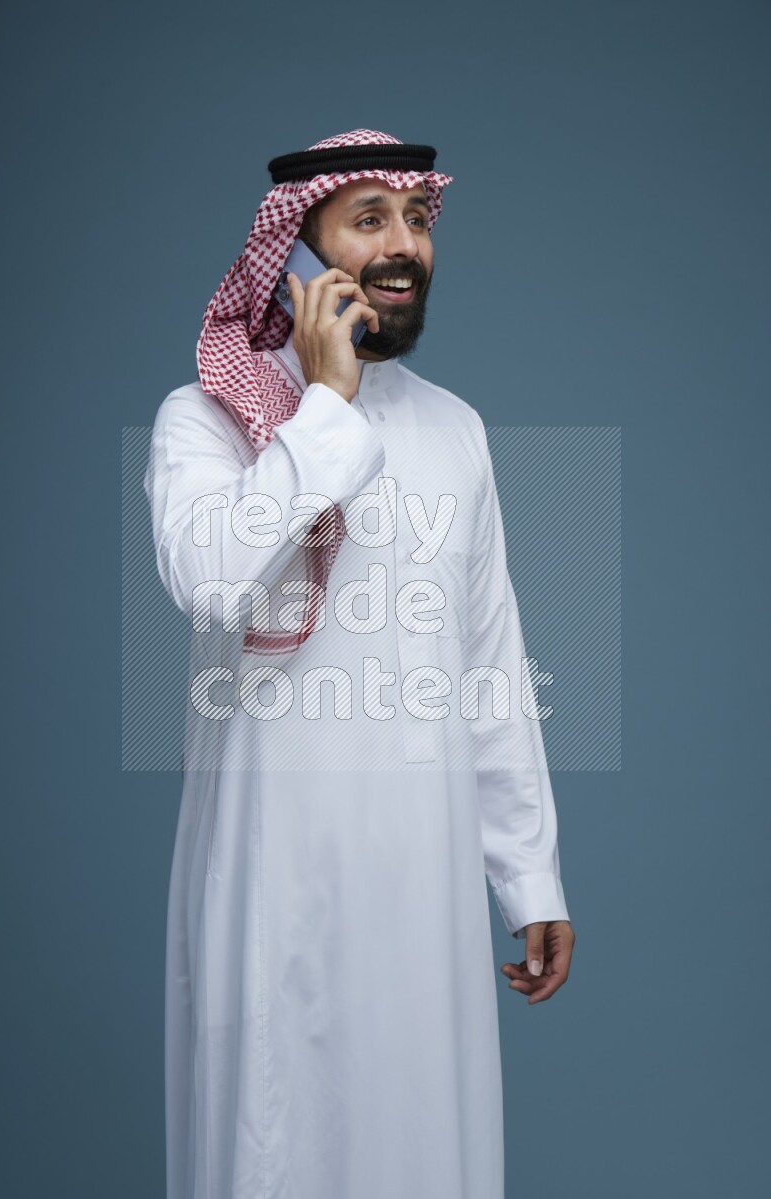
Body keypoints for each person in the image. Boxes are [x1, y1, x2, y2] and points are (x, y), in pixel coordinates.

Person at [143, 128, 575, 1199]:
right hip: (268, 863)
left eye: (417, 220)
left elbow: (486, 658)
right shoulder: (204, 422)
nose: (403, 247)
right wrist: (324, 408)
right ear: (293, 249)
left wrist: (525, 870)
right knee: (271, 1135)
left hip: (418, 875)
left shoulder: (455, 431)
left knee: (421, 1140)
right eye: (368, 218)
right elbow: (211, 580)